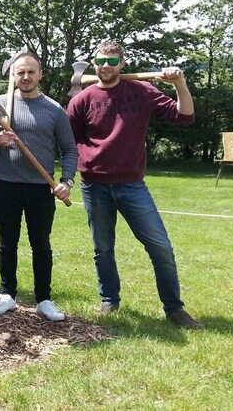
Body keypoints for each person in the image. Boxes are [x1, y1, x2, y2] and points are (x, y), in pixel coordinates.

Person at [66, 40, 204, 329]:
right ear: (93, 64)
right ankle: (109, 300)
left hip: (131, 184)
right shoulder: (82, 99)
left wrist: (180, 83)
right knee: (102, 248)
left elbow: (185, 117)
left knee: (160, 247)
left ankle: (174, 309)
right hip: (94, 185)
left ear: (123, 64)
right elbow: (68, 142)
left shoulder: (142, 91)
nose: (106, 66)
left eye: (113, 61)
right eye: (101, 60)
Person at [0, 52, 78, 321]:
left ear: (40, 74)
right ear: (13, 75)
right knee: (7, 241)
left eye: (31, 72)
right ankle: (7, 294)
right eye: (20, 72)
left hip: (41, 187)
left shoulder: (54, 109)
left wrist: (66, 180)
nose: (26, 77)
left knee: (40, 243)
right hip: (7, 184)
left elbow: (69, 149)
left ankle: (44, 298)